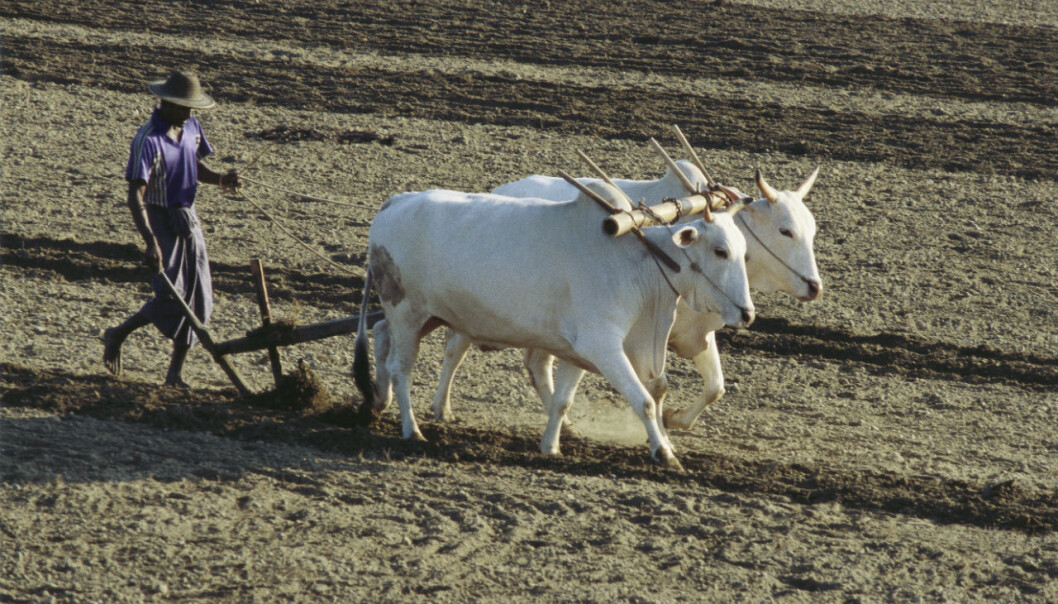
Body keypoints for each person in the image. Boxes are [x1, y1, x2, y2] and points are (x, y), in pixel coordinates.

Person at [103, 69, 241, 388]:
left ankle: (174, 374)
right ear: (165, 103)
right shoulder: (147, 139)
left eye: (192, 108)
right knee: (171, 295)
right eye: (184, 107)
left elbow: (196, 164)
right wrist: (150, 241)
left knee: (196, 298)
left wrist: (220, 179)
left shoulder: (190, 126)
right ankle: (118, 333)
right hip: (160, 219)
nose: (190, 113)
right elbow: (135, 195)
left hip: (186, 218)